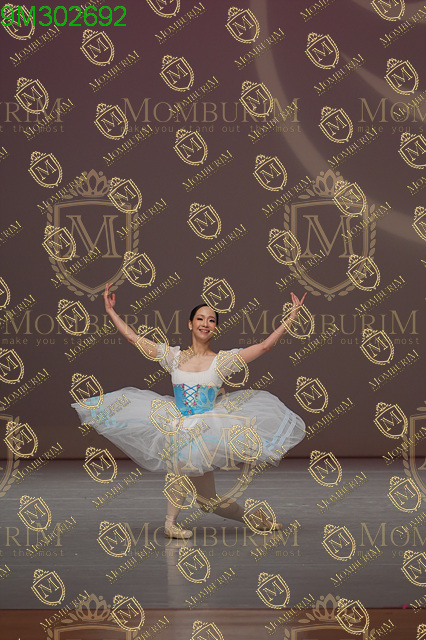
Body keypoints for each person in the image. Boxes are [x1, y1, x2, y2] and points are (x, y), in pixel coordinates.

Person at [71, 285, 307, 539]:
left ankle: (250, 518)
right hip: (177, 423)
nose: (205, 323)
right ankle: (171, 524)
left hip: (206, 428)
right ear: (190, 324)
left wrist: (291, 317)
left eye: (211, 320)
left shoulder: (222, 361)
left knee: (208, 502)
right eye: (200, 319)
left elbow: (264, 346)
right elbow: (134, 339)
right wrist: (111, 312)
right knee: (185, 469)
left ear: (216, 327)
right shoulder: (173, 356)